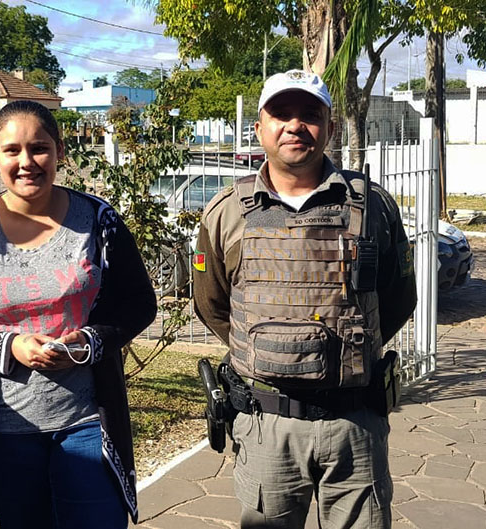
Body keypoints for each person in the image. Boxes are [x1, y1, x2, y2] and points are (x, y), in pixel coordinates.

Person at [193, 69, 417, 528]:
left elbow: (398, 300)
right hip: (266, 423)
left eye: (310, 115)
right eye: (281, 114)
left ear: (330, 129)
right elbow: (214, 305)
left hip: (354, 423)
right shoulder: (226, 213)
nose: (295, 126)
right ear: (259, 128)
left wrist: (347, 351)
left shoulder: (374, 206)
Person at [0, 100, 156, 529]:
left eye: (40, 148)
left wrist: (89, 344)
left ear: (60, 151)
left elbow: (139, 303)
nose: (27, 161)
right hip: (4, 429)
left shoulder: (99, 222)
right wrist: (6, 345)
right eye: (12, 150)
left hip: (88, 420)